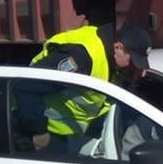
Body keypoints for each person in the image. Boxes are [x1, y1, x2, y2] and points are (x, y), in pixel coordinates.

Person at [13, 21, 153, 152]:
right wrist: (39, 132)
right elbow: (27, 84)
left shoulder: (109, 57)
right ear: (118, 47)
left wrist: (135, 77)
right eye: (133, 61)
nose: (133, 66)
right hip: (36, 131)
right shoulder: (82, 57)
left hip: (68, 136)